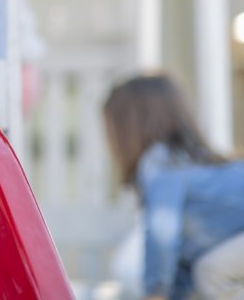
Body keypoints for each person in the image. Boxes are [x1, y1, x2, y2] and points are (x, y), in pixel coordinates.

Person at [103, 73, 244, 300]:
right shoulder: (186, 162)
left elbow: (162, 231)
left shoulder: (161, 165)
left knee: (212, 272)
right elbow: (180, 271)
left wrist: (155, 293)